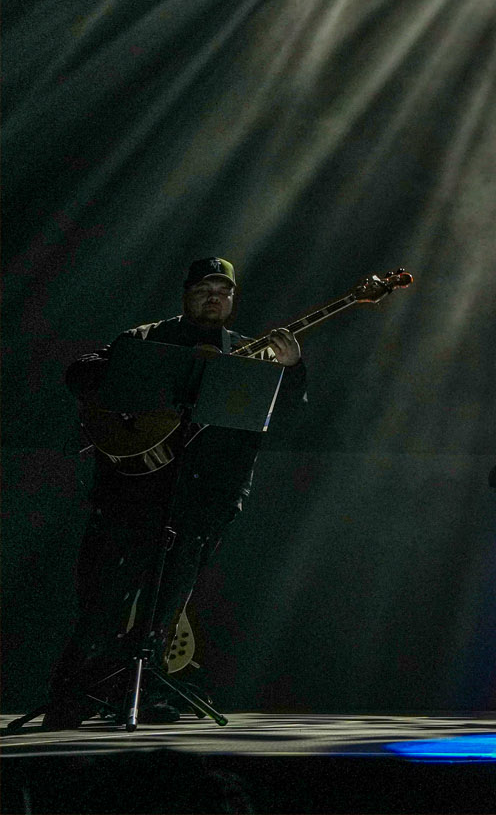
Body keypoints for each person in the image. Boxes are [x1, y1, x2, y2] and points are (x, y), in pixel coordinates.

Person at [45, 257, 305, 729]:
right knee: (105, 594)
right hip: (133, 491)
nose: (214, 298)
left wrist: (292, 368)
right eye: (205, 288)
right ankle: (74, 693)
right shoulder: (147, 337)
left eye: (223, 291)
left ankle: (145, 690)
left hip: (207, 494)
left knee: (168, 602)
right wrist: (146, 389)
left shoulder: (247, 351)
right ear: (186, 294)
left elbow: (284, 416)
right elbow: (81, 373)